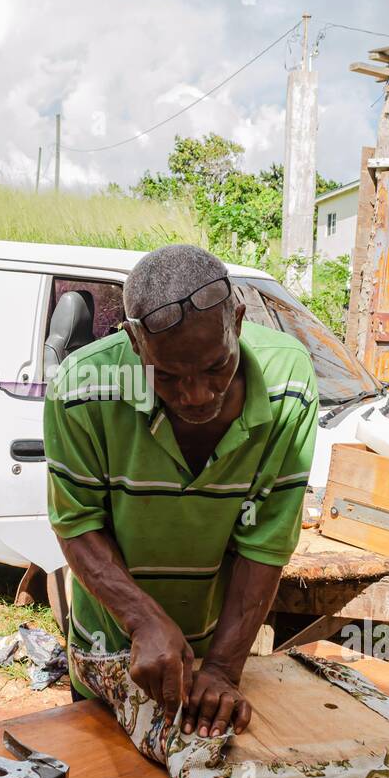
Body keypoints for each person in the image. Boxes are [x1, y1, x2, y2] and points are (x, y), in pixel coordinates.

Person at [43, 244, 318, 739]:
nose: (196, 395)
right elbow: (77, 522)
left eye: (216, 368)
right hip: (110, 645)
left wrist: (223, 670)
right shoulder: (82, 386)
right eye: (167, 376)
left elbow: (266, 539)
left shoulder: (289, 383)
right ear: (132, 340)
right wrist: (141, 620)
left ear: (237, 319)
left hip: (219, 642)